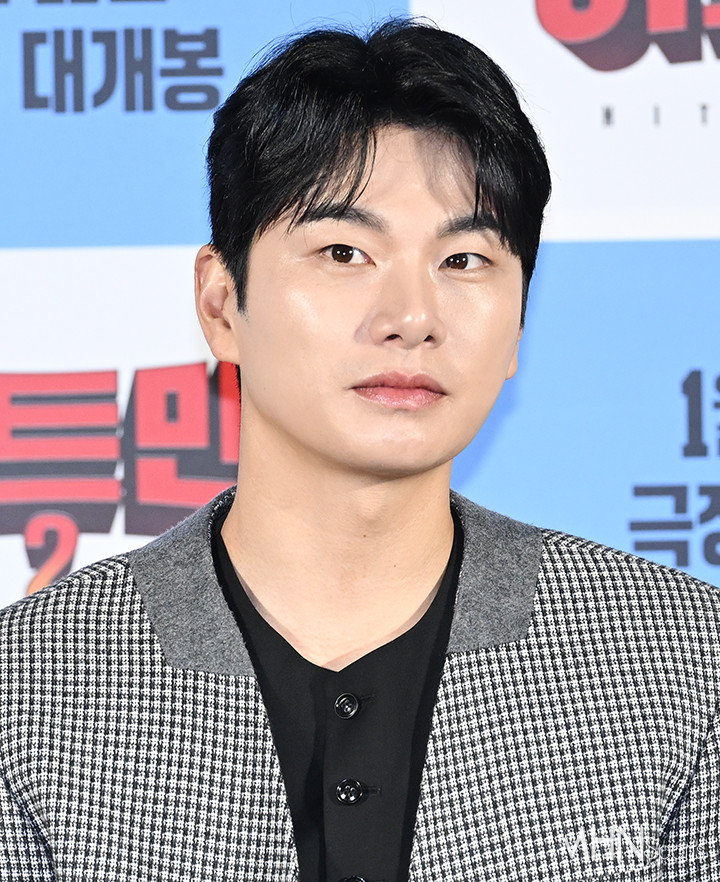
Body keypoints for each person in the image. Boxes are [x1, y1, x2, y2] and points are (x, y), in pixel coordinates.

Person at [1, 19, 717, 882]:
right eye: (345, 252)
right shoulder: (28, 691)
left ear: (520, 320)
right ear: (222, 304)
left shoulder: (682, 663)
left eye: (464, 260)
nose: (411, 317)